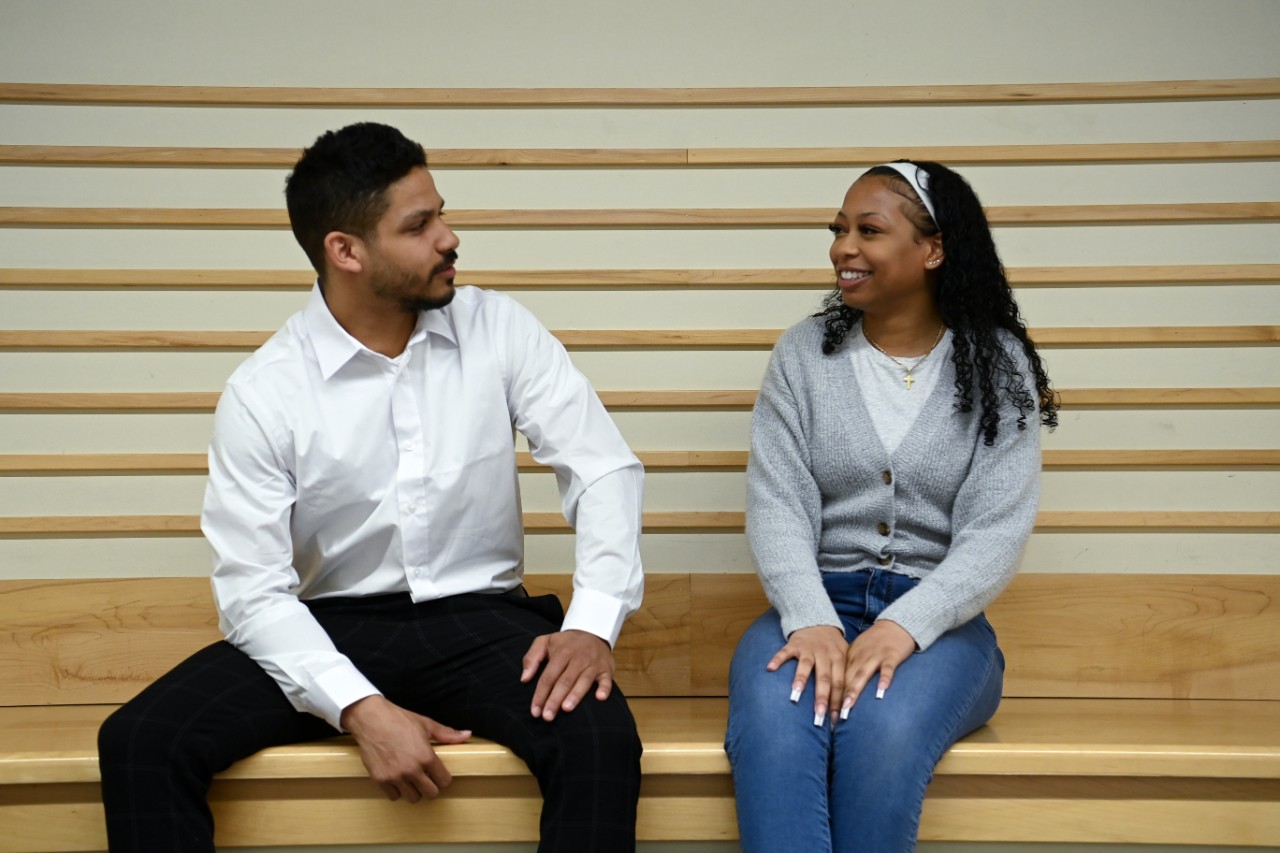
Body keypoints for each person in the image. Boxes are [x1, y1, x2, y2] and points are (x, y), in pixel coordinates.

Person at [97, 122, 645, 853]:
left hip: (479, 621)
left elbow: (602, 466)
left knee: (598, 734)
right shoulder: (265, 391)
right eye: (419, 226)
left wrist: (590, 620)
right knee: (140, 740)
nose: (449, 237)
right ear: (345, 250)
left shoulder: (499, 328)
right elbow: (254, 593)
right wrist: (358, 706)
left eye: (441, 212)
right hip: (328, 624)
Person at [724, 160, 1058, 852]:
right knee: (772, 716)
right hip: (816, 609)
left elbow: (995, 532)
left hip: (941, 630)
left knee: (880, 722)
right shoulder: (803, 356)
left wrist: (904, 625)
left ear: (932, 249)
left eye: (868, 230)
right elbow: (777, 503)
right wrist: (812, 619)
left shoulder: (998, 365)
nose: (844, 247)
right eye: (838, 229)